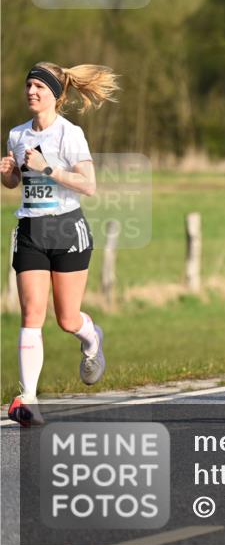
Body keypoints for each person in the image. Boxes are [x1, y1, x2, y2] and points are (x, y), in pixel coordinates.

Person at [2, 62, 118, 427]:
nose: (31, 92)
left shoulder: (70, 134)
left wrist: (47, 166)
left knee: (68, 319)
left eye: (39, 86)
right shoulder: (16, 134)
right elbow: (15, 184)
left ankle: (92, 338)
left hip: (68, 230)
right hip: (31, 231)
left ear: (56, 93)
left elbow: (89, 185)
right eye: (28, 86)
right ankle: (30, 399)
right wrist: (8, 176)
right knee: (32, 313)